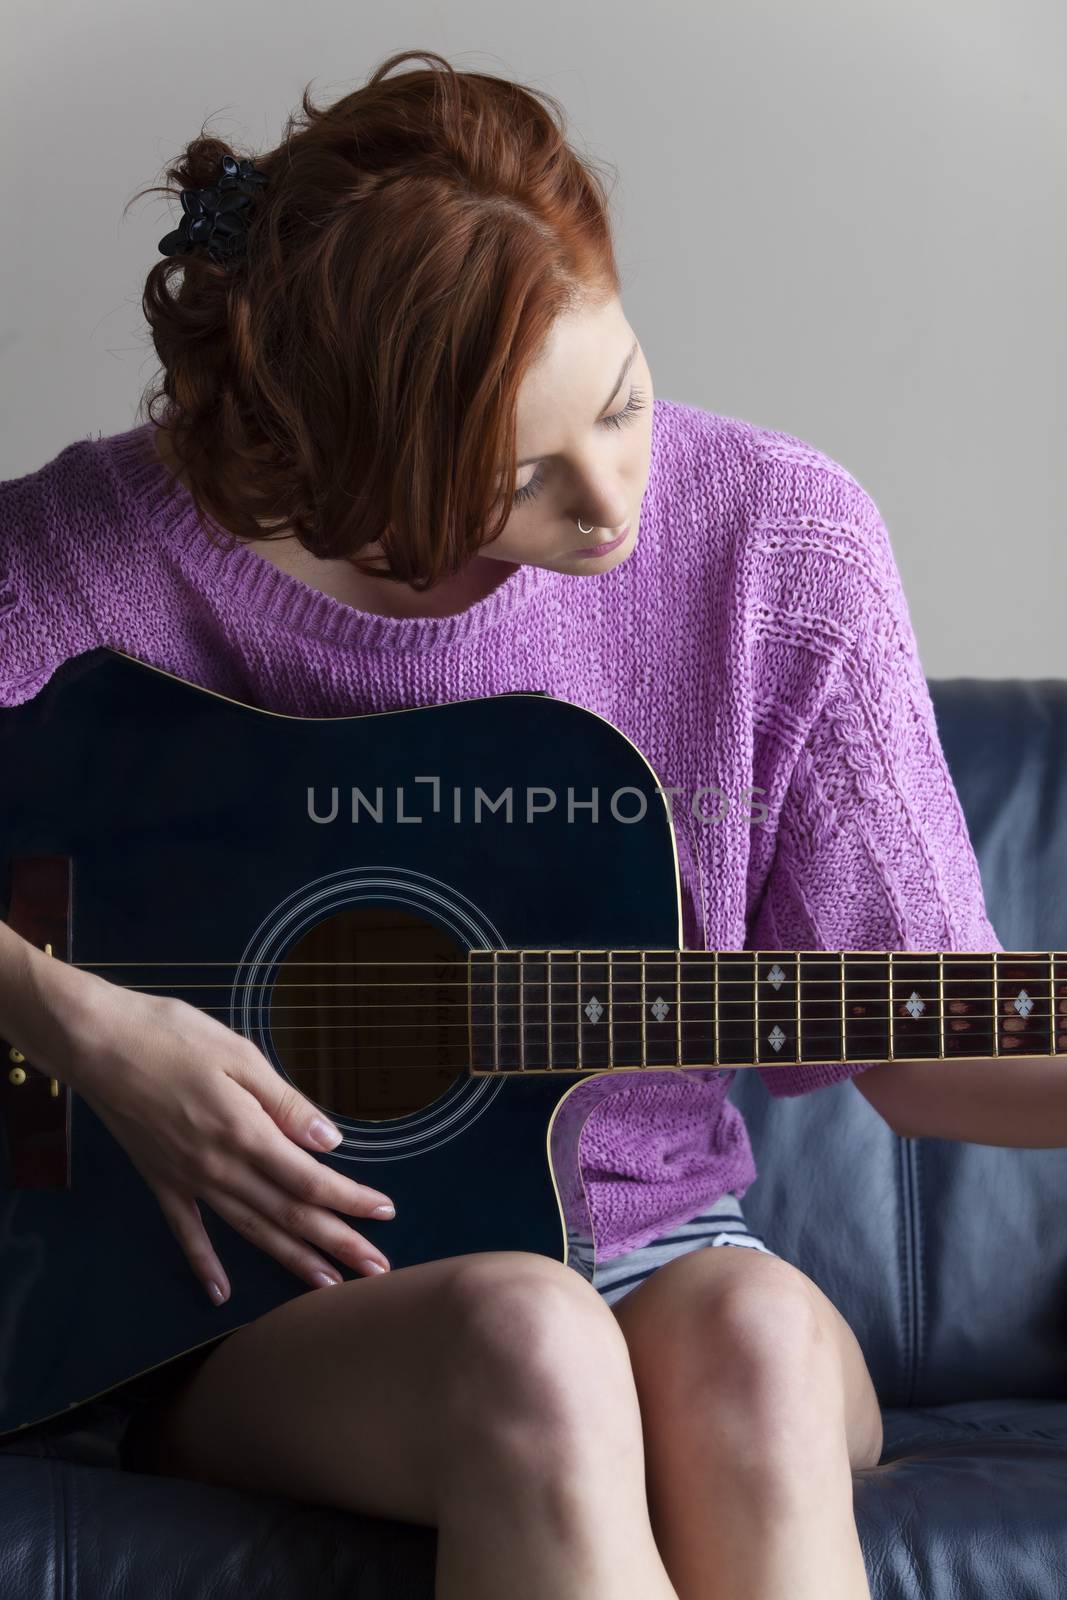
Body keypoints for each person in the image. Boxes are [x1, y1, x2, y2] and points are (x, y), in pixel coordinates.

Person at [0, 48, 1003, 1600]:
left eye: (621, 402)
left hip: (669, 1256)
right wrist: (85, 1030)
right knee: (534, 1341)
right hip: (258, 1297)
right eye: (513, 480)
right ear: (326, 462)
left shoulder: (782, 546)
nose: (609, 504)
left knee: (749, 1340)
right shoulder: (102, 556)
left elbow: (935, 1050)